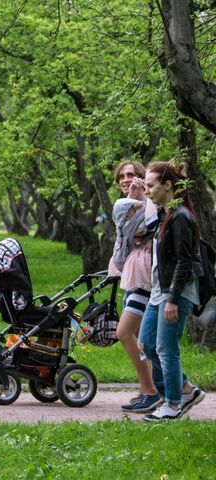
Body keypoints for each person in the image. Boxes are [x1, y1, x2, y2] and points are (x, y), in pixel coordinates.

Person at [139, 161, 206, 421]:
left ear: (167, 186)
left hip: (175, 293)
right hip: (161, 292)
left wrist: (173, 299)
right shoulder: (168, 213)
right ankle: (186, 388)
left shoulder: (180, 217)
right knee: (147, 343)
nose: (147, 191)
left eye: (151, 186)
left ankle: (174, 404)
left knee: (166, 349)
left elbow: (184, 261)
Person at [108, 161, 161, 413]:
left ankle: (154, 390)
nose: (127, 179)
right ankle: (147, 387)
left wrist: (137, 201)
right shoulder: (125, 206)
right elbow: (123, 245)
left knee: (124, 333)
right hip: (132, 275)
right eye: (122, 176)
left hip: (145, 277)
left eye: (133, 175)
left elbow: (137, 231)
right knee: (141, 339)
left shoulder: (146, 205)